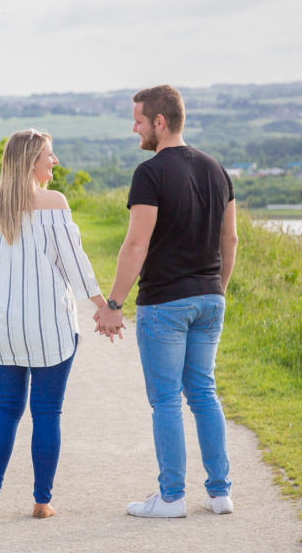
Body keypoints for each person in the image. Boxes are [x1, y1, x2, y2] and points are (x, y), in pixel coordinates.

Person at [95, 84, 239, 518]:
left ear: (160, 122)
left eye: (138, 120)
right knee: (204, 393)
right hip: (210, 298)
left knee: (166, 400)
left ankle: (172, 497)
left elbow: (136, 245)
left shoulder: (150, 172)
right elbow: (229, 239)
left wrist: (114, 305)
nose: (134, 127)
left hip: (165, 304)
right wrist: (218, 288)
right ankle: (219, 494)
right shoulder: (216, 169)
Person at [0, 128, 107, 519]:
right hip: (48, 324)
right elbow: (75, 263)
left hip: (3, 327)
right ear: (32, 161)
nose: (55, 161)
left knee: (5, 408)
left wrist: (4, 301)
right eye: (49, 155)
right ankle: (41, 501)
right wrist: (105, 305)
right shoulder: (54, 203)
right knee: (46, 412)